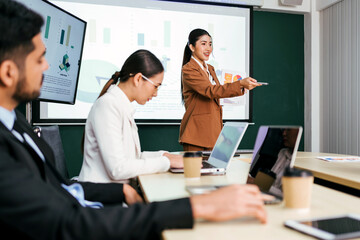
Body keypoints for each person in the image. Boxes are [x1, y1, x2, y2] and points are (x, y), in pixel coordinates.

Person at [0, 1, 267, 239]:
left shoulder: (18, 126)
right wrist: (197, 203)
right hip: (95, 213)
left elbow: (68, 186)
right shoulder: (108, 106)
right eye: (39, 58)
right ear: (8, 72)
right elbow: (106, 181)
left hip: (100, 200)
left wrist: (162, 156)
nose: (47, 66)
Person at [78, 49, 184, 184]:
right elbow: (118, 168)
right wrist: (167, 162)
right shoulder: (107, 105)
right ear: (138, 79)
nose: (156, 93)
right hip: (101, 196)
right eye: (156, 86)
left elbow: (132, 158)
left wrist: (165, 155)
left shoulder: (120, 105)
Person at [179, 28, 262, 151]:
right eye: (203, 44)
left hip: (213, 132)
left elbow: (217, 93)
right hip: (197, 134)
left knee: (213, 170)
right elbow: (210, 91)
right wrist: (240, 84)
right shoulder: (189, 69)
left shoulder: (210, 68)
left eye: (210, 44)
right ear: (191, 47)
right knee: (196, 171)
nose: (208, 48)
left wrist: (242, 87)